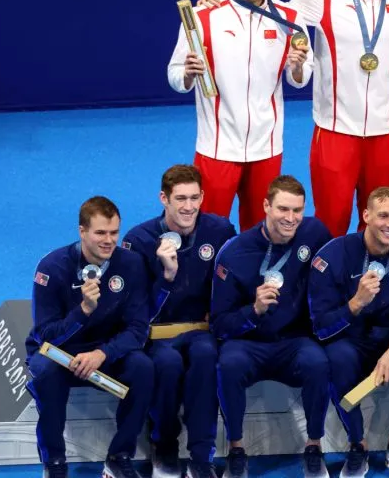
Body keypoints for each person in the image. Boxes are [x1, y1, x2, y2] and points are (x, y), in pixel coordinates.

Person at [200, 0, 389, 238]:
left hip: (387, 129)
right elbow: (272, 12)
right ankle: (327, 283)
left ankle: (374, 279)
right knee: (332, 219)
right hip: (335, 129)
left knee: (380, 218)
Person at [168, 0, 313, 231]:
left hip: (267, 146)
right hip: (217, 147)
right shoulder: (202, 15)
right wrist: (187, 74)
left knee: (262, 230)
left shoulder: (290, 19)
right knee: (208, 230)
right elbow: (174, 73)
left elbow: (301, 78)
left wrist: (298, 68)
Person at [209, 175, 334, 478]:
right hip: (247, 341)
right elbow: (220, 324)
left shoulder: (314, 232)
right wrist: (254, 310)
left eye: (297, 210)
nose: (291, 219)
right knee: (229, 365)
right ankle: (236, 449)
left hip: (294, 340)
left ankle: (314, 445)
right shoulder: (234, 253)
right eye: (283, 209)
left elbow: (341, 256)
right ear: (266, 206)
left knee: (318, 363)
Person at [308, 187, 389, 478]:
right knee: (337, 358)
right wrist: (354, 304)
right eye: (382, 216)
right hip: (351, 343)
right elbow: (320, 326)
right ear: (365, 216)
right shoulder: (332, 256)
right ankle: (357, 445)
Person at [121, 165, 237, 478]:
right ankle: (165, 445)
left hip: (200, 330)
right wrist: (167, 276)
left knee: (205, 357)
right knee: (169, 365)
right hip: (157, 333)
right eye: (180, 199)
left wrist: (223, 308)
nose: (188, 207)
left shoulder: (221, 231)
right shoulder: (139, 240)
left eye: (194, 198)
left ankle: (201, 457)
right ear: (164, 199)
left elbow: (234, 281)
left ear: (203, 197)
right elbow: (134, 308)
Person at [24, 197, 152, 478]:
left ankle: (119, 457)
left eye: (114, 233)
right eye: (100, 233)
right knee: (45, 373)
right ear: (82, 231)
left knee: (143, 368)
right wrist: (82, 312)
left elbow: (138, 329)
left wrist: (102, 354)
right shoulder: (52, 267)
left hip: (102, 353)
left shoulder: (131, 264)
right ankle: (54, 462)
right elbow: (45, 335)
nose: (109, 240)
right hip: (60, 353)